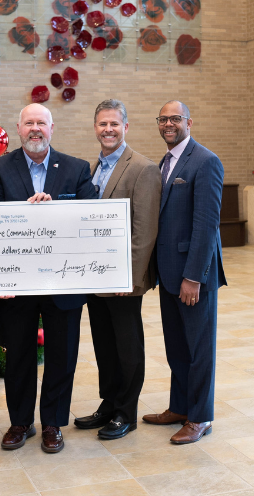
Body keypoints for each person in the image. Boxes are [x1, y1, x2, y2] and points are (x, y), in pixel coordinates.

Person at [0, 103, 97, 453]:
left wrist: (56, 210)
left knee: (62, 356)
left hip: (64, 282)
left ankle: (52, 424)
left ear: (52, 128)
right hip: (17, 285)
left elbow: (88, 219)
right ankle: (20, 423)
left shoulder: (77, 168)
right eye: (29, 123)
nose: (36, 129)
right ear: (17, 128)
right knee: (18, 355)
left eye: (41, 123)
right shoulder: (0, 168)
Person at [74, 99, 162, 440]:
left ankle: (126, 412)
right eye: (102, 124)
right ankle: (108, 403)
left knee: (127, 345)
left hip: (123, 278)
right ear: (95, 128)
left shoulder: (142, 168)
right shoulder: (93, 168)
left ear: (125, 127)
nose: (107, 129)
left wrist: (130, 275)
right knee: (104, 345)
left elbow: (145, 229)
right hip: (95, 277)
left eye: (114, 124)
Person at [142, 100, 227, 444]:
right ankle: (180, 406)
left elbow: (206, 225)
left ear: (189, 121)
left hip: (194, 277)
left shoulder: (206, 161)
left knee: (199, 349)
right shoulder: (165, 162)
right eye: (163, 119)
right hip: (169, 274)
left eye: (175, 118)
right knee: (177, 347)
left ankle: (201, 416)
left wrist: (194, 276)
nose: (168, 124)